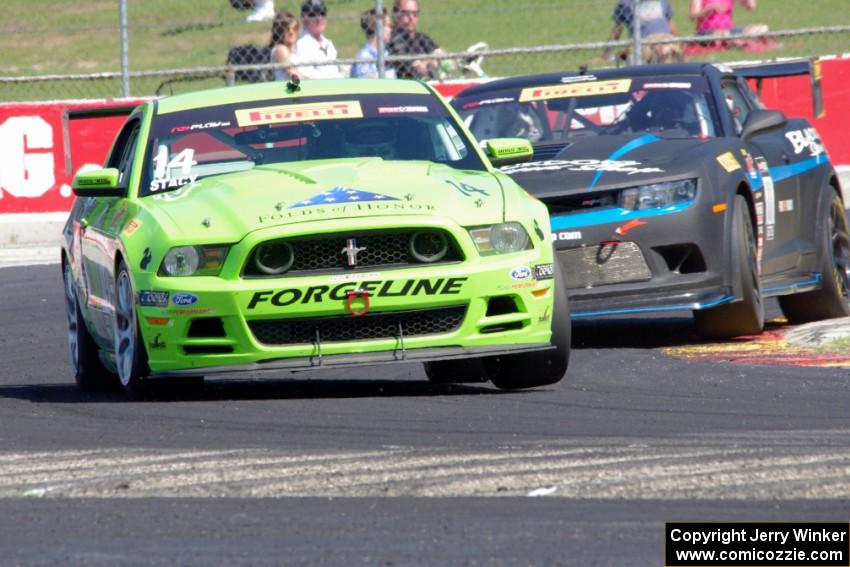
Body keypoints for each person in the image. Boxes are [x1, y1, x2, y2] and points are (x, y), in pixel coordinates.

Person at [604, 0, 684, 64]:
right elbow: (617, 30)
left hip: (661, 38)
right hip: (646, 41)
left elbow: (670, 23)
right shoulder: (624, 3)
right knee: (660, 52)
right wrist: (607, 53)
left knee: (666, 50)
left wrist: (680, 42)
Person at [387, 0, 446, 80]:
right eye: (406, 13)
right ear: (396, 14)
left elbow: (441, 54)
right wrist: (431, 62)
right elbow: (411, 67)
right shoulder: (394, 40)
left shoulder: (421, 37)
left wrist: (426, 63)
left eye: (415, 14)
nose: (411, 17)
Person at [295, 0, 343, 79]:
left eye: (322, 14)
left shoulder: (327, 43)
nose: (319, 18)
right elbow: (307, 77)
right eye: (312, 15)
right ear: (303, 18)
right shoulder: (301, 45)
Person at [689, 0, 769, 47]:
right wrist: (708, 9)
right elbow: (692, 16)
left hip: (729, 30)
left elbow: (751, 7)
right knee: (722, 34)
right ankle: (740, 41)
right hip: (707, 31)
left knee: (762, 28)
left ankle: (737, 40)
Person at [351, 8, 397, 78]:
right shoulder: (364, 57)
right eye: (389, 26)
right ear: (377, 28)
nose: (392, 29)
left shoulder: (389, 52)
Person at [269, 11, 301, 82]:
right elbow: (295, 76)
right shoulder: (280, 49)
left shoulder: (295, 49)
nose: (292, 32)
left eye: (295, 28)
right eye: (287, 29)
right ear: (279, 31)